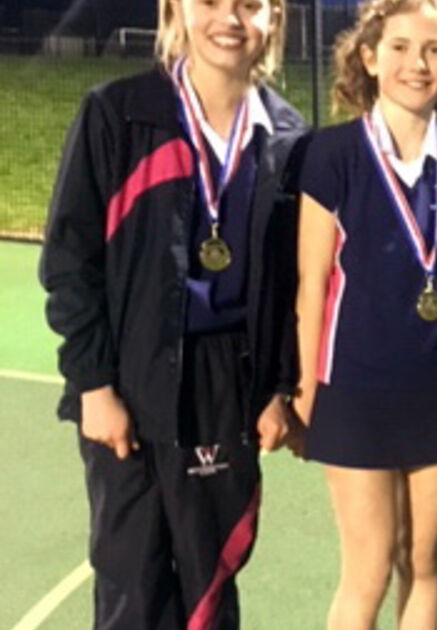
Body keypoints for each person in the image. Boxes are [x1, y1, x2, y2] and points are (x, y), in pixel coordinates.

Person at [39, 0, 306, 627]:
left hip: (230, 388)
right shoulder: (118, 114)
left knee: (211, 581)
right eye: (210, 2)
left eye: (250, 5)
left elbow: (292, 284)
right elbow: (70, 261)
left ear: (273, 18)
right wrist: (94, 384)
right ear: (175, 10)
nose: (229, 19)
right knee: (133, 582)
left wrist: (278, 388)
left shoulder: (290, 136)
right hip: (132, 375)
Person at [292, 0, 437, 627]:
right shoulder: (332, 153)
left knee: (421, 559)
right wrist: (306, 386)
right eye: (400, 48)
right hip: (353, 386)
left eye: (434, 50)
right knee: (370, 565)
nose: (418, 63)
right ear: (369, 58)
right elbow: (313, 281)